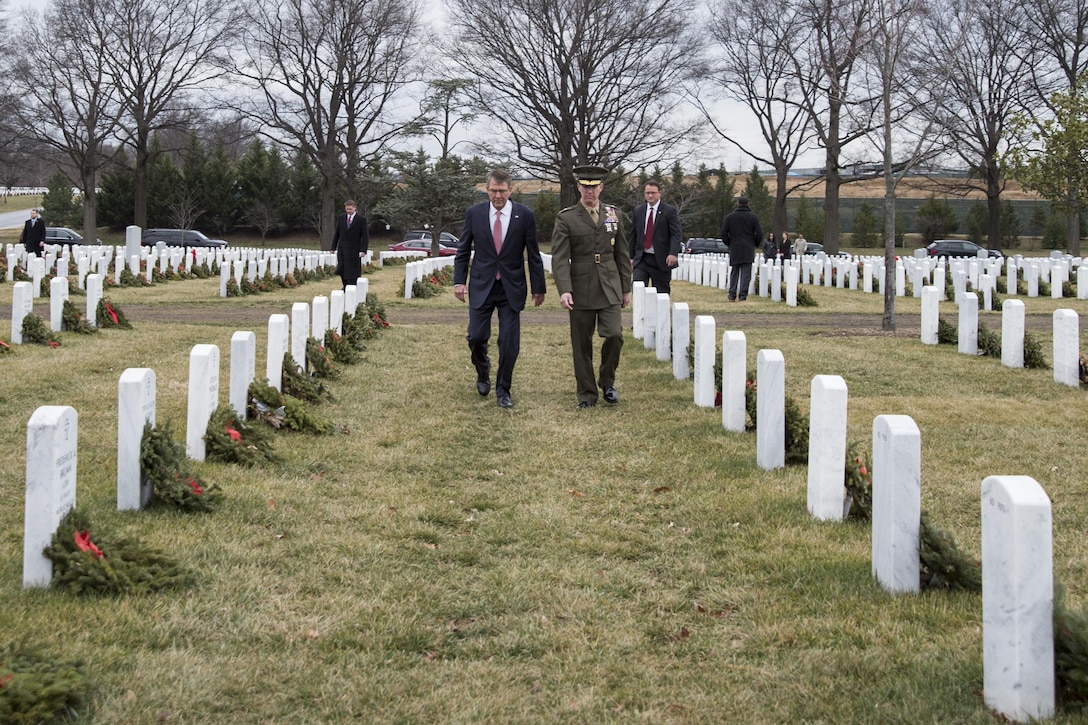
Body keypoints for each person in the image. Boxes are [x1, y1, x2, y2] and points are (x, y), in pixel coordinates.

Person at [453, 168, 546, 409]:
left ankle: (503, 389)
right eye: (493, 191)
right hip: (482, 284)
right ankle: (483, 371)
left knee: (508, 342)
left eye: (502, 191)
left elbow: (533, 254)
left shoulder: (524, 215)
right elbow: (463, 250)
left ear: (510, 190)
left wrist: (539, 287)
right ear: (487, 189)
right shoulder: (474, 214)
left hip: (511, 287)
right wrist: (459, 281)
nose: (498, 196)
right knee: (476, 337)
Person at [551, 165, 632, 408]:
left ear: (601, 187)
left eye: (594, 187)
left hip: (609, 285)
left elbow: (622, 253)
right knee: (581, 344)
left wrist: (626, 288)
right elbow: (559, 258)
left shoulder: (612, 215)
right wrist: (564, 289)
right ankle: (586, 394)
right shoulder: (566, 218)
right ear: (578, 188)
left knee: (615, 335)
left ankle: (607, 381)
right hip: (581, 287)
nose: (590, 192)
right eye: (585, 187)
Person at [628, 180, 682, 294]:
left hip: (661, 259)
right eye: (647, 193)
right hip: (642, 258)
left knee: (661, 292)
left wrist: (673, 253)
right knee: (638, 289)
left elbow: (676, 234)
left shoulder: (669, 211)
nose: (650, 195)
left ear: (659, 193)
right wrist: (631, 256)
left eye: (653, 192)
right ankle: (641, 312)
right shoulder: (639, 211)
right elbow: (633, 235)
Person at [720, 196, 763, 302]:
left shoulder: (730, 217)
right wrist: (754, 243)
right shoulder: (753, 217)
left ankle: (732, 295)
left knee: (734, 272)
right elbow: (760, 233)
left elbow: (723, 233)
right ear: (748, 203)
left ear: (738, 203)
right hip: (748, 247)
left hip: (735, 246)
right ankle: (743, 296)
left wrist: (729, 243)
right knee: (746, 273)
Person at [331, 199, 368, 289]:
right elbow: (337, 233)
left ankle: (352, 285)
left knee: (352, 269)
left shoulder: (361, 220)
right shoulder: (341, 218)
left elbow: (365, 236)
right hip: (343, 248)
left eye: (350, 209)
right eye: (347, 209)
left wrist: (363, 250)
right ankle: (345, 285)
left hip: (354, 249)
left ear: (355, 208)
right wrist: (333, 247)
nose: (348, 211)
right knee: (342, 268)